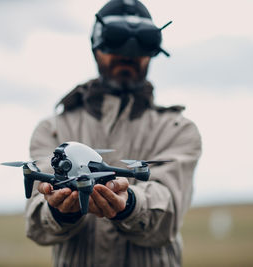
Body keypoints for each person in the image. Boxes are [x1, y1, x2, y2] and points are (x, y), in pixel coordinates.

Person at [25, 0, 202, 266]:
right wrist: (60, 210)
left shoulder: (177, 129)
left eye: (140, 44)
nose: (127, 55)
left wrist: (130, 204)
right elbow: (38, 223)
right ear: (95, 48)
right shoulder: (53, 129)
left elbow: (169, 216)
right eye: (115, 41)